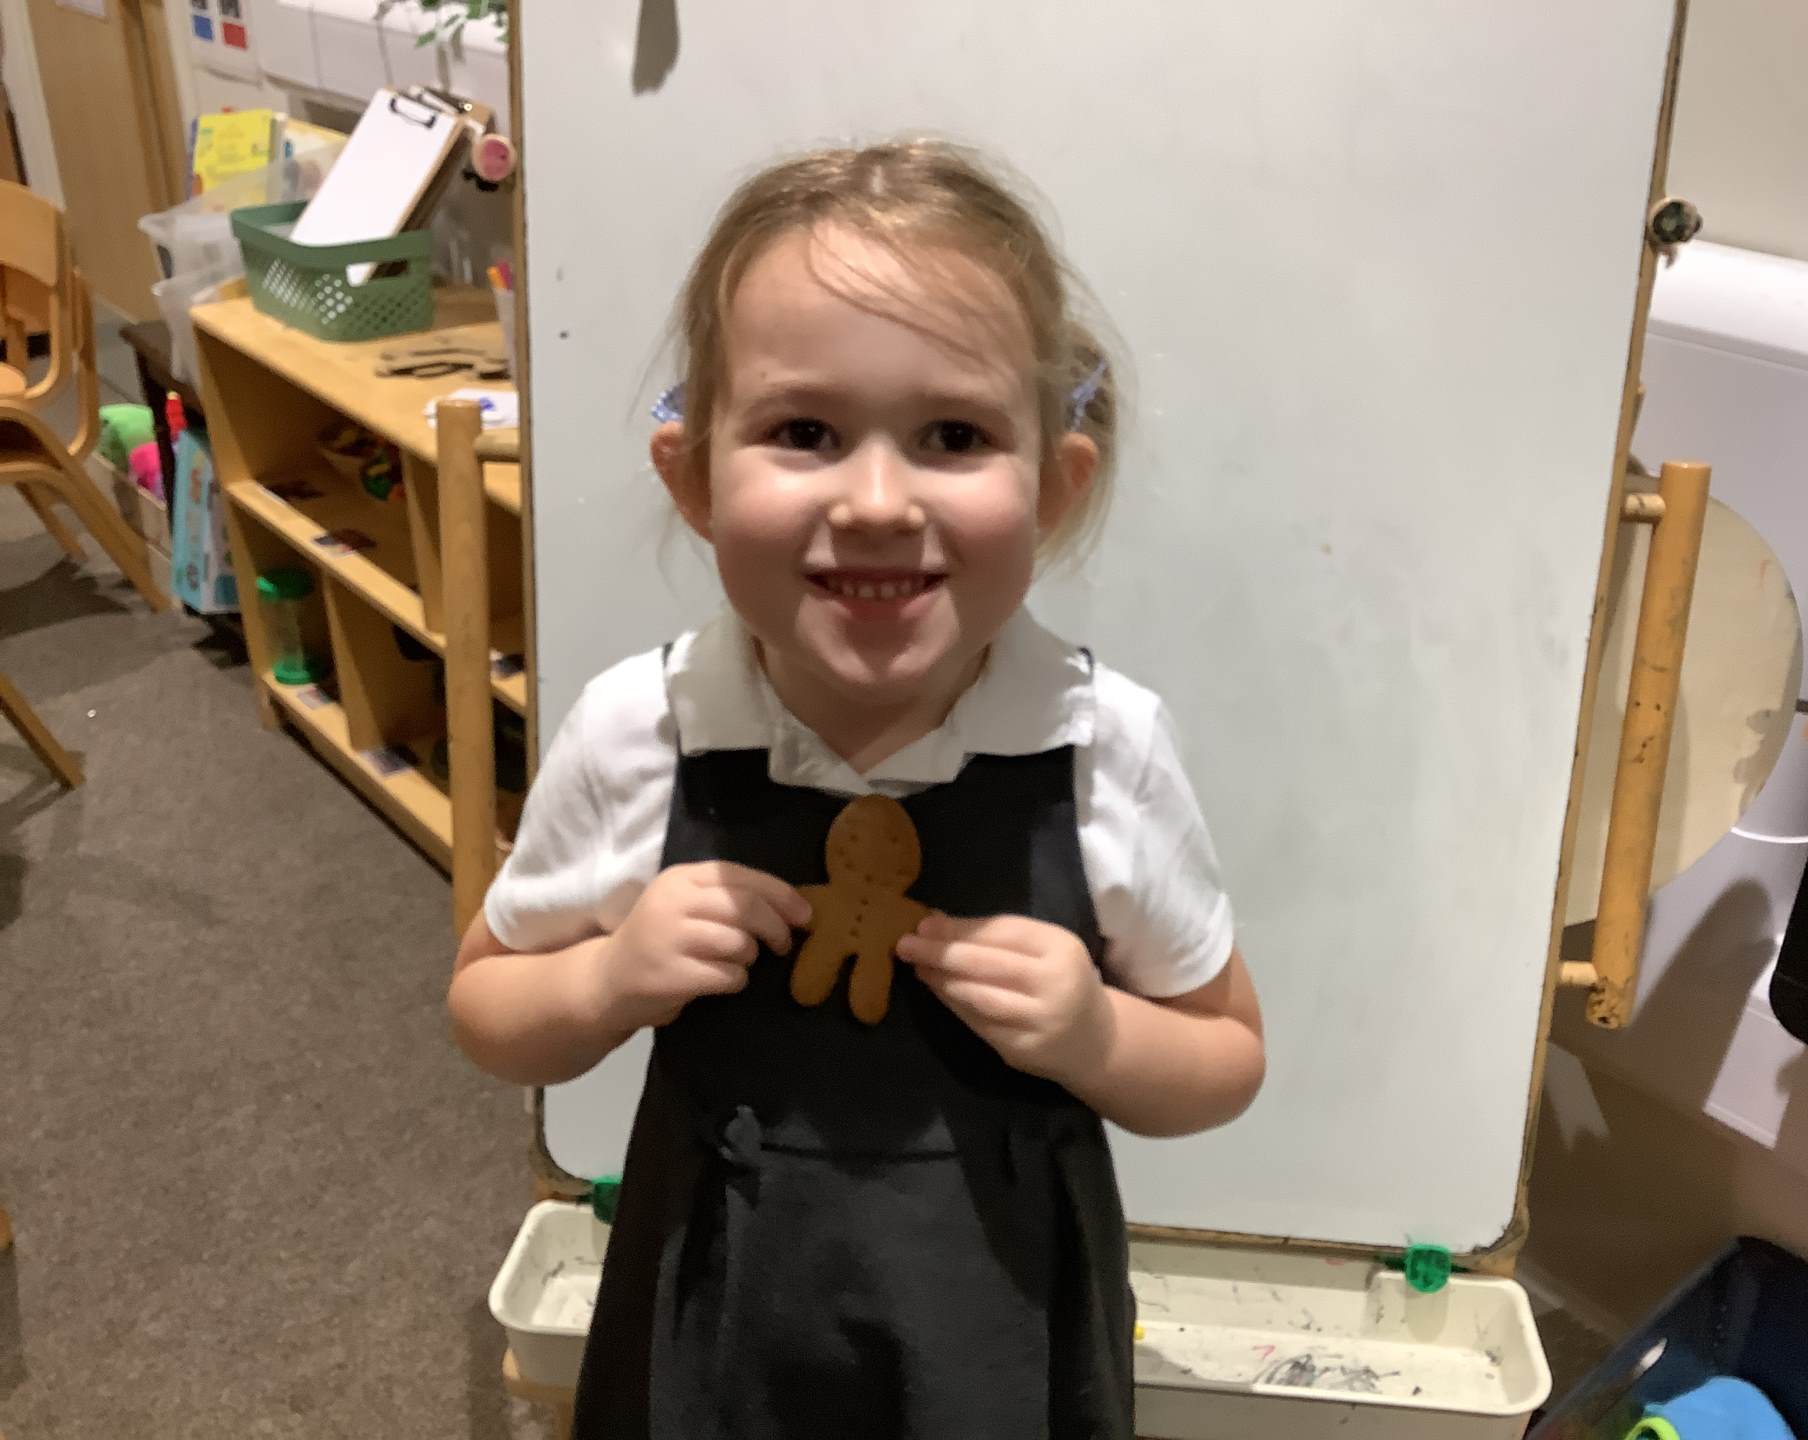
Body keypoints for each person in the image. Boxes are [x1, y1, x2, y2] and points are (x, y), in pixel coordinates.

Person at [449, 139, 1266, 1439]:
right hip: (721, 1317)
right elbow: (488, 1007)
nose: (878, 501)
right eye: (805, 432)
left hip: (1000, 1332)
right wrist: (607, 981)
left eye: (953, 435)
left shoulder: (1101, 747)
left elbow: (1225, 1057)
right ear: (694, 479)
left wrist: (1098, 1037)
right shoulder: (638, 731)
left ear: (1054, 488)